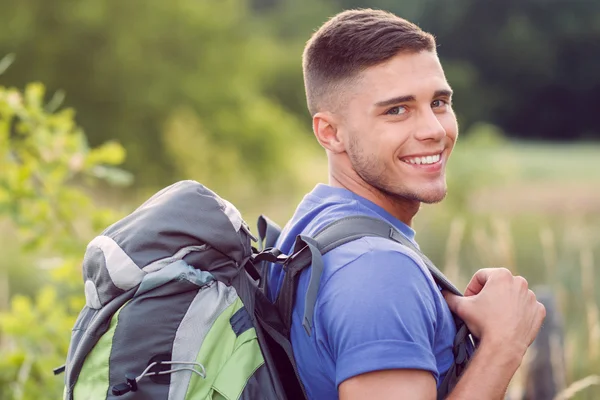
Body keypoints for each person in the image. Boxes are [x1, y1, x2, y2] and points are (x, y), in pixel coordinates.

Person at [266, 8, 546, 400]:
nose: (434, 130)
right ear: (331, 133)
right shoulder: (377, 270)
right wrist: (504, 344)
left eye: (439, 102)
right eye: (397, 110)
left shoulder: (315, 221)